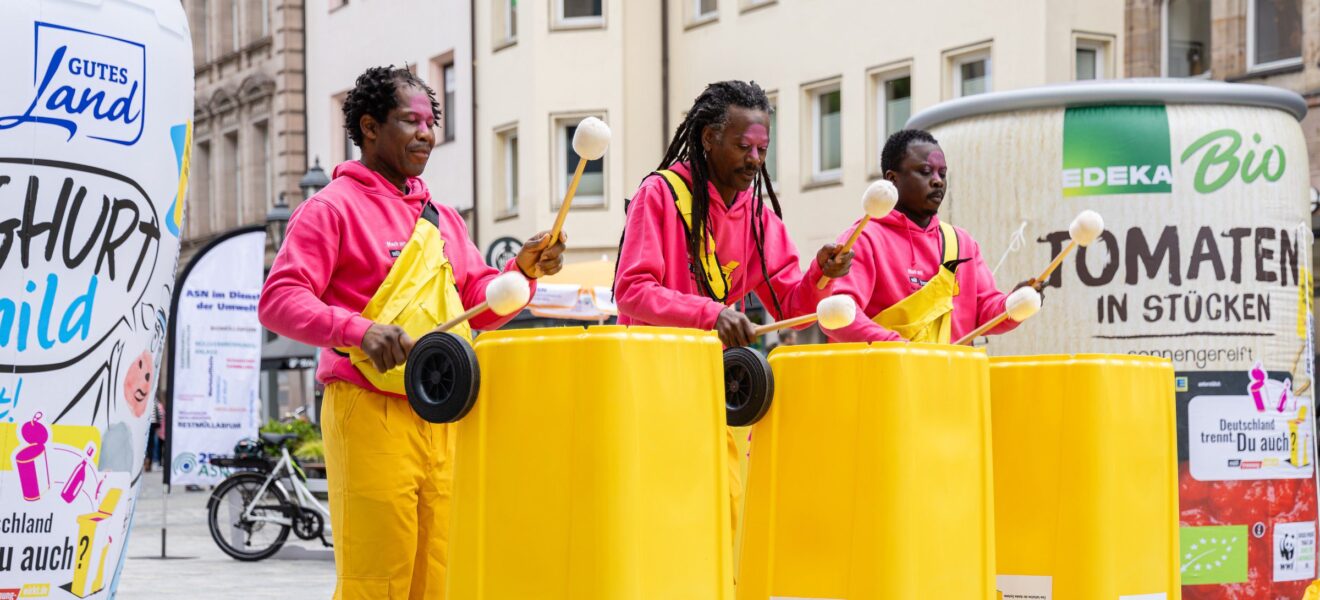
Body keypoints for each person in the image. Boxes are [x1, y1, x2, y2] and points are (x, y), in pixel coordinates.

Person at [258, 65, 565, 600]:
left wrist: (525, 272)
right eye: (410, 120)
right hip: (367, 407)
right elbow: (279, 301)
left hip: (443, 412)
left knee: (445, 576)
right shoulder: (329, 208)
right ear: (370, 127)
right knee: (378, 580)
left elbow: (479, 305)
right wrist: (359, 330)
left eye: (431, 121)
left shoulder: (442, 217)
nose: (426, 132)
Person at [613, 79, 852, 553]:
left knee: (725, 518)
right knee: (661, 522)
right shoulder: (660, 195)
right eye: (744, 146)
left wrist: (821, 276)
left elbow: (794, 312)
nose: (755, 160)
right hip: (654, 388)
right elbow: (631, 292)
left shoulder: (759, 218)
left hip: (721, 395)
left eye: (763, 149)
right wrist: (711, 313)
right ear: (708, 139)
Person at [824, 129, 1036, 344]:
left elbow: (982, 310)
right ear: (892, 179)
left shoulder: (962, 243)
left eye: (942, 174)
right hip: (884, 375)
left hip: (953, 376)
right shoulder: (863, 238)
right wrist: (899, 349)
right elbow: (839, 315)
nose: (938, 181)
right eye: (925, 171)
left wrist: (1013, 305)